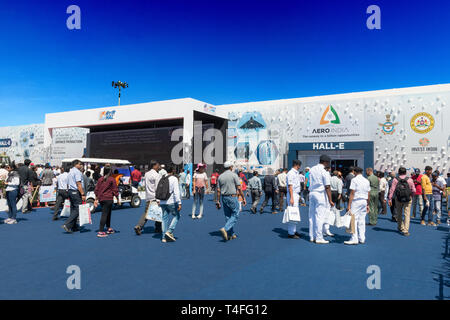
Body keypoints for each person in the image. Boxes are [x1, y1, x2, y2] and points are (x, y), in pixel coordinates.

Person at [216, 161, 246, 241]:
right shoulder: (234, 175)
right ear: (231, 167)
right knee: (235, 214)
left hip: (224, 198)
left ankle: (231, 234)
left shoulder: (220, 176)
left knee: (228, 216)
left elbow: (218, 190)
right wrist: (243, 198)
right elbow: (239, 188)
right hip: (232, 197)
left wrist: (218, 201)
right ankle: (225, 229)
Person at [308, 155, 334, 244]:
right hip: (320, 194)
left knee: (311, 216)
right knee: (319, 216)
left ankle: (312, 236)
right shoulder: (324, 172)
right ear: (326, 162)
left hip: (311, 193)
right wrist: (330, 200)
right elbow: (327, 186)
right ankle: (319, 237)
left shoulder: (311, 169)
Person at [344, 167, 371, 245]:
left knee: (353, 220)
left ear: (354, 172)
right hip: (364, 201)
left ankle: (354, 238)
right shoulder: (366, 180)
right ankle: (362, 238)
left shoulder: (354, 180)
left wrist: (349, 205)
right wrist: (367, 204)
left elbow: (352, 193)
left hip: (356, 201)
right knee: (362, 220)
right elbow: (368, 193)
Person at [134, 160, 161, 235]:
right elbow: (157, 187)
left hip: (148, 196)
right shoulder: (156, 175)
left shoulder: (147, 174)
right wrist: (158, 199)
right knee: (158, 213)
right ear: (154, 165)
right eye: (158, 165)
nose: (159, 166)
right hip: (154, 197)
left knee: (146, 213)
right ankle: (157, 228)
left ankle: (139, 226)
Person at [388, 167, 416, 236]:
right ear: (406, 172)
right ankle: (406, 230)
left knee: (399, 213)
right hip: (407, 198)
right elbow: (414, 190)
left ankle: (400, 227)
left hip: (398, 198)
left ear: (398, 172)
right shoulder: (410, 179)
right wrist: (411, 196)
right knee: (407, 214)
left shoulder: (395, 179)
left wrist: (390, 198)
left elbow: (392, 190)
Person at [94, 166, 120, 238]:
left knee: (107, 213)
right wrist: (117, 198)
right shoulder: (112, 179)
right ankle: (101, 231)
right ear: (110, 171)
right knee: (105, 214)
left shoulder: (100, 179)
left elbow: (96, 190)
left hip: (101, 199)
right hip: (108, 198)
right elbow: (115, 190)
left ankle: (108, 228)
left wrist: (96, 199)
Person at [159, 166, 182, 243]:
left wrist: (158, 200)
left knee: (164, 219)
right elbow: (176, 192)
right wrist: (179, 203)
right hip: (171, 201)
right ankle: (169, 231)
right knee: (177, 216)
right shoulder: (174, 179)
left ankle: (163, 237)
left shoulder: (162, 178)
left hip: (162, 201)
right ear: (172, 171)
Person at [62, 160, 85, 233]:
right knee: (77, 209)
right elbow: (78, 183)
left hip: (70, 191)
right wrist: (82, 194)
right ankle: (67, 224)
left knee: (73, 209)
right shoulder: (77, 172)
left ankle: (73, 226)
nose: (81, 165)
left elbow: (68, 183)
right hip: (75, 191)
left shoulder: (70, 171)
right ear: (76, 164)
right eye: (80, 164)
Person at [286, 160, 302, 239]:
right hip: (292, 194)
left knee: (295, 213)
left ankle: (294, 230)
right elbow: (290, 186)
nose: (300, 167)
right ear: (297, 165)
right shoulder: (291, 173)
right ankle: (291, 233)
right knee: (292, 213)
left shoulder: (296, 173)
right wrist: (292, 197)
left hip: (295, 194)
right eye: (299, 165)